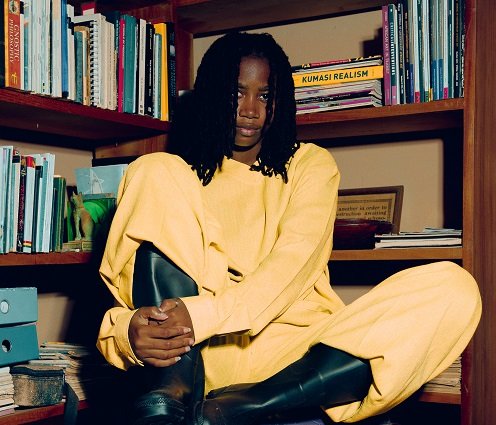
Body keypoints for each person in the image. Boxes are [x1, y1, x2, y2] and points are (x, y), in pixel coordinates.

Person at [96, 32, 481, 425]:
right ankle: (172, 389)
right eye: (237, 92)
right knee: (153, 167)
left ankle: (243, 405)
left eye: (265, 95)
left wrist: (200, 315)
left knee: (455, 287)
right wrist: (129, 333)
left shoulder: (308, 164)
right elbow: (133, 309)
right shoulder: (172, 178)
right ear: (212, 93)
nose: (251, 110)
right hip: (199, 356)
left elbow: (290, 269)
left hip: (302, 357)